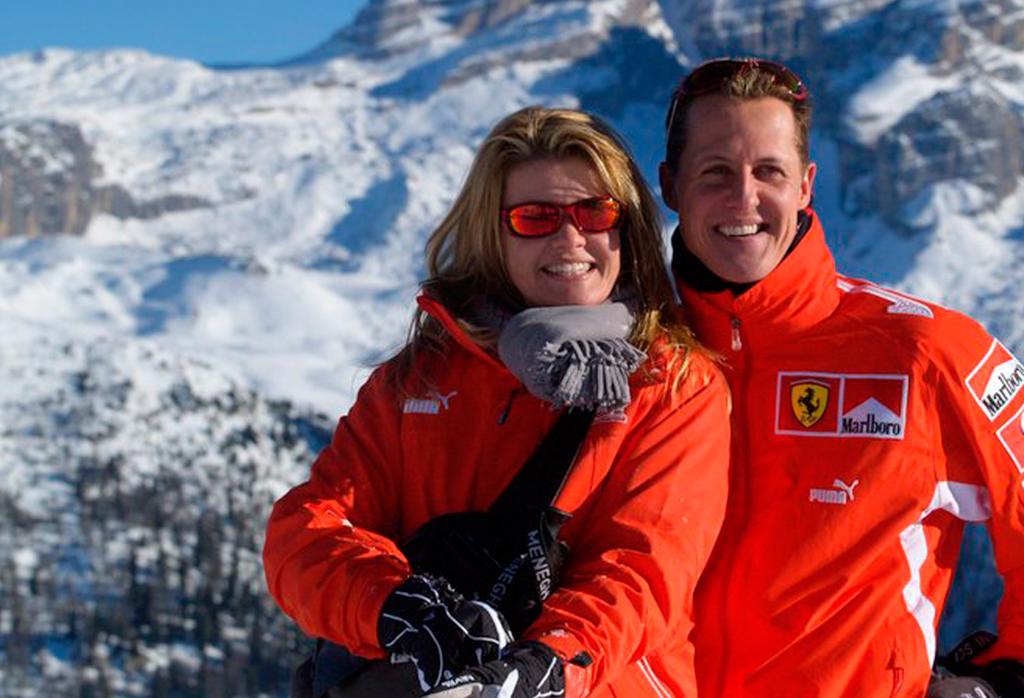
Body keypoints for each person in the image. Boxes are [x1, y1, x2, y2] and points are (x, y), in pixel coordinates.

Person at [658, 58, 1024, 697]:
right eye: (715, 172)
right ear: (670, 185)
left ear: (806, 185)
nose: (744, 198)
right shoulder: (642, 354)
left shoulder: (921, 350)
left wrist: (1020, 673)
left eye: (769, 171)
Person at [264, 106, 730, 698]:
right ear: (495, 234)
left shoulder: (672, 384)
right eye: (535, 218)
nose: (570, 238)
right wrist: (398, 608)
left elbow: (644, 569)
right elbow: (308, 531)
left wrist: (547, 664)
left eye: (595, 212)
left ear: (625, 228)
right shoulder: (418, 381)